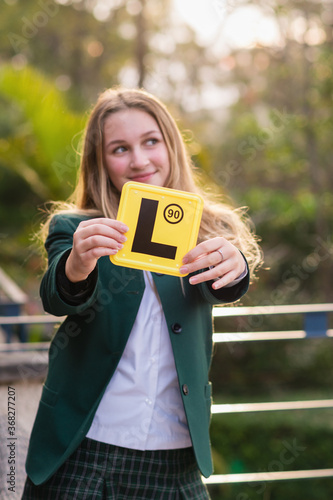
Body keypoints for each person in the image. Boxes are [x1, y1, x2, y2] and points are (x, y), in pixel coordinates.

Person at [22, 87, 262, 499]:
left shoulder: (209, 228)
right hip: (83, 448)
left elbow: (227, 287)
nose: (139, 160)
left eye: (150, 141)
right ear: (100, 163)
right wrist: (78, 263)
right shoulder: (77, 228)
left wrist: (237, 265)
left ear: (170, 145)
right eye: (119, 148)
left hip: (176, 455)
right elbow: (57, 295)